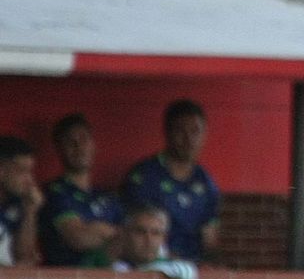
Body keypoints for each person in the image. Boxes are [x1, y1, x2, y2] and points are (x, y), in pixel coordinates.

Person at [122, 99, 221, 264]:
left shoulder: (206, 183)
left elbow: (209, 238)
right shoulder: (144, 176)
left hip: (193, 271)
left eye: (195, 131)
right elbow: (136, 233)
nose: (188, 139)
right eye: (180, 131)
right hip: (152, 266)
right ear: (167, 132)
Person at [38, 113, 121, 268]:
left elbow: (129, 239)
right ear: (59, 149)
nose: (79, 147)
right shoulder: (54, 192)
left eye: (84, 139)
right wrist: (110, 233)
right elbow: (78, 238)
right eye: (71, 142)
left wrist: (98, 230)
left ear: (93, 145)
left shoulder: (107, 196)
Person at [0, 134, 43, 266]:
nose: (29, 180)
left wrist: (30, 211)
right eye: (22, 171)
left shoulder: (18, 204)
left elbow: (24, 256)